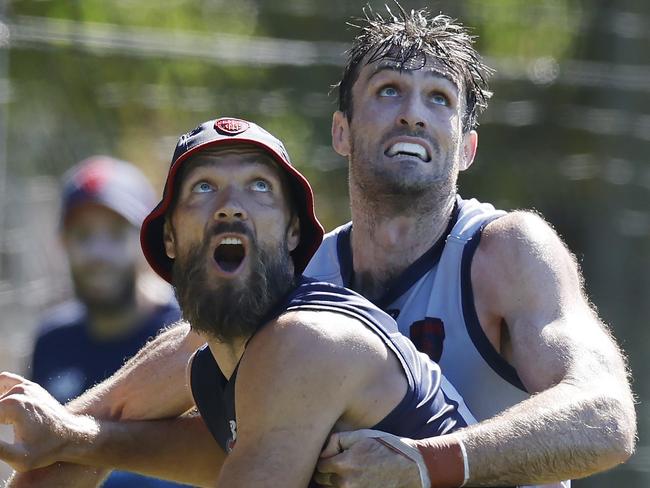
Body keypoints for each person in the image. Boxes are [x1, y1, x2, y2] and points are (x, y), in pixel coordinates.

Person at [2, 6, 636, 488]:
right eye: (387, 90)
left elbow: (607, 416)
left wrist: (427, 466)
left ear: (466, 147)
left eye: (439, 99)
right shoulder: (293, 277)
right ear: (341, 131)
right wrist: (73, 435)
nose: (413, 113)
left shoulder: (506, 252)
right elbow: (127, 421)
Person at [1, 116, 477, 488]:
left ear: (293, 232)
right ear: (170, 237)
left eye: (259, 186)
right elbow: (86, 436)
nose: (231, 205)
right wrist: (73, 437)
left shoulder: (306, 342)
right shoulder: (209, 360)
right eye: (204, 187)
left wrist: (76, 438)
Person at [28, 156, 186, 488]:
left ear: (149, 241)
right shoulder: (51, 342)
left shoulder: (191, 333)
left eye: (115, 234)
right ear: (62, 244)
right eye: (83, 235)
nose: (98, 253)